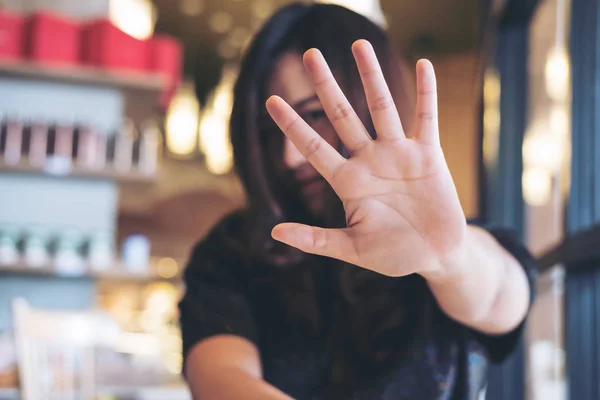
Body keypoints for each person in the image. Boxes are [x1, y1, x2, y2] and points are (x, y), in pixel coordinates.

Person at [179, 3, 536, 399]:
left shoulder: (439, 236)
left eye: (313, 115)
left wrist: (447, 258)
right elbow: (219, 378)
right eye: (268, 129)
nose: (290, 157)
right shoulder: (231, 250)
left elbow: (504, 300)